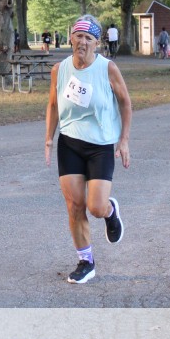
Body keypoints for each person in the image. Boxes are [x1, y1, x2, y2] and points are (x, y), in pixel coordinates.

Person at [45, 15, 132, 284]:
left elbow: (125, 103)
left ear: (97, 43)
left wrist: (124, 139)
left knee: (95, 207)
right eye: (78, 36)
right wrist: (49, 139)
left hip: (100, 145)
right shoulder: (59, 70)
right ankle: (86, 261)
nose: (82, 42)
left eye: (88, 38)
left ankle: (110, 211)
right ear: (70, 38)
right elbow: (53, 105)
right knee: (74, 205)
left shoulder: (108, 68)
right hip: (69, 143)